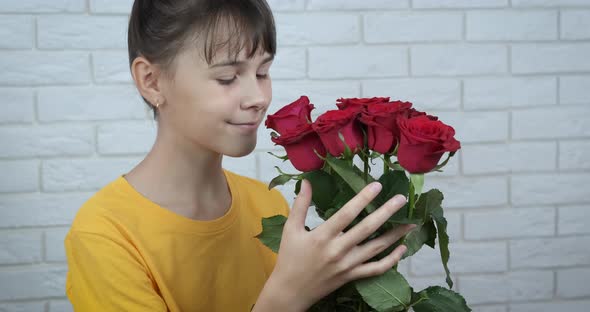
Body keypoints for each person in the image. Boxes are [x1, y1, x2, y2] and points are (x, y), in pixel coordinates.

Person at [64, 0, 415, 311]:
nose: (258, 97)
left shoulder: (268, 207)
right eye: (228, 77)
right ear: (152, 81)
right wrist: (288, 295)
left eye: (262, 71)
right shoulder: (104, 236)